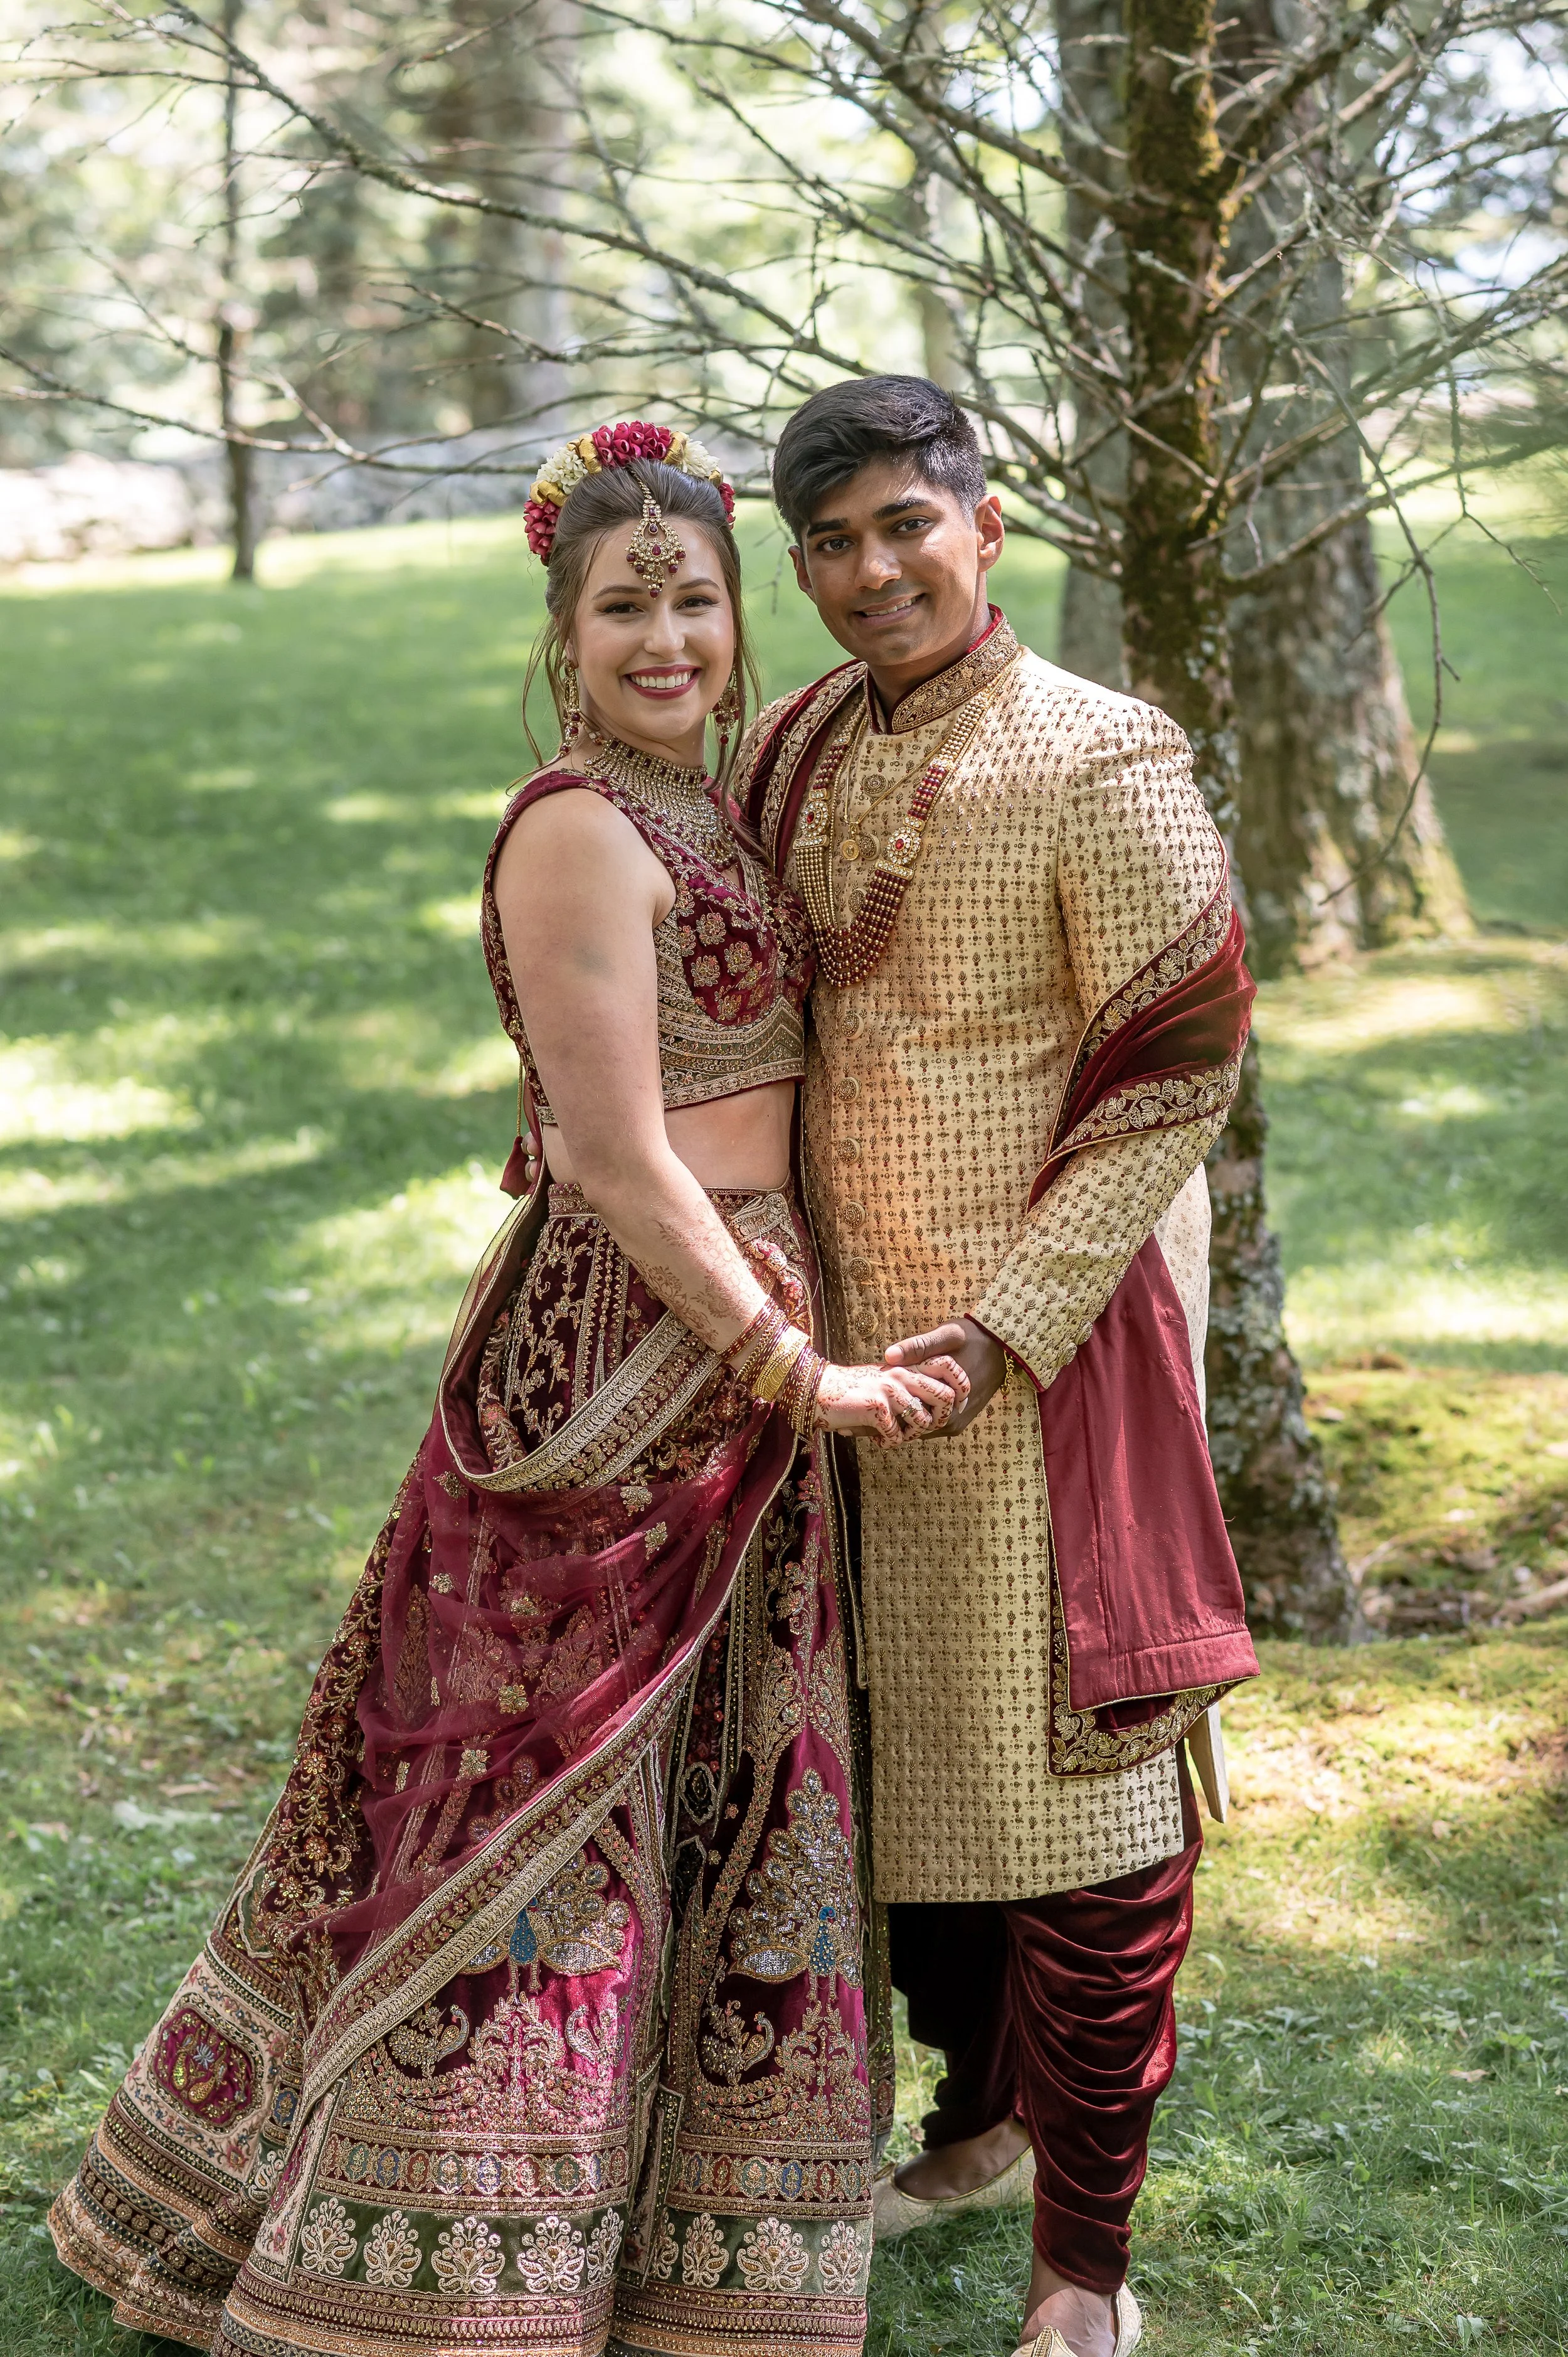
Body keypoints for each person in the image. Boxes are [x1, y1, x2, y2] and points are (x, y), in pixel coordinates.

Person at [49, 419, 965, 2357]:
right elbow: (624, 1162)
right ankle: (425, 2256)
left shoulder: (708, 806)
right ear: (563, 633)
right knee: (545, 1792)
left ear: (739, 616)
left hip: (733, 1340)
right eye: (624, 605)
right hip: (634, 1352)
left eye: (695, 600)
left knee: (711, 1793)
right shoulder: (579, 820)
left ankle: (648, 2244)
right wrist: (782, 1357)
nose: (666, 636)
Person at [736, 377, 1263, 2357]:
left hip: (1048, 1351)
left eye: (904, 526)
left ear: (986, 521)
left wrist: (1015, 1314)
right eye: (832, 544)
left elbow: (1179, 1068)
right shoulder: (789, 749)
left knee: (1072, 1801)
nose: (873, 571)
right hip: (834, 1356)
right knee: (892, 1778)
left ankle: (1084, 2272)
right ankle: (973, 2122)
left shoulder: (1097, 755)